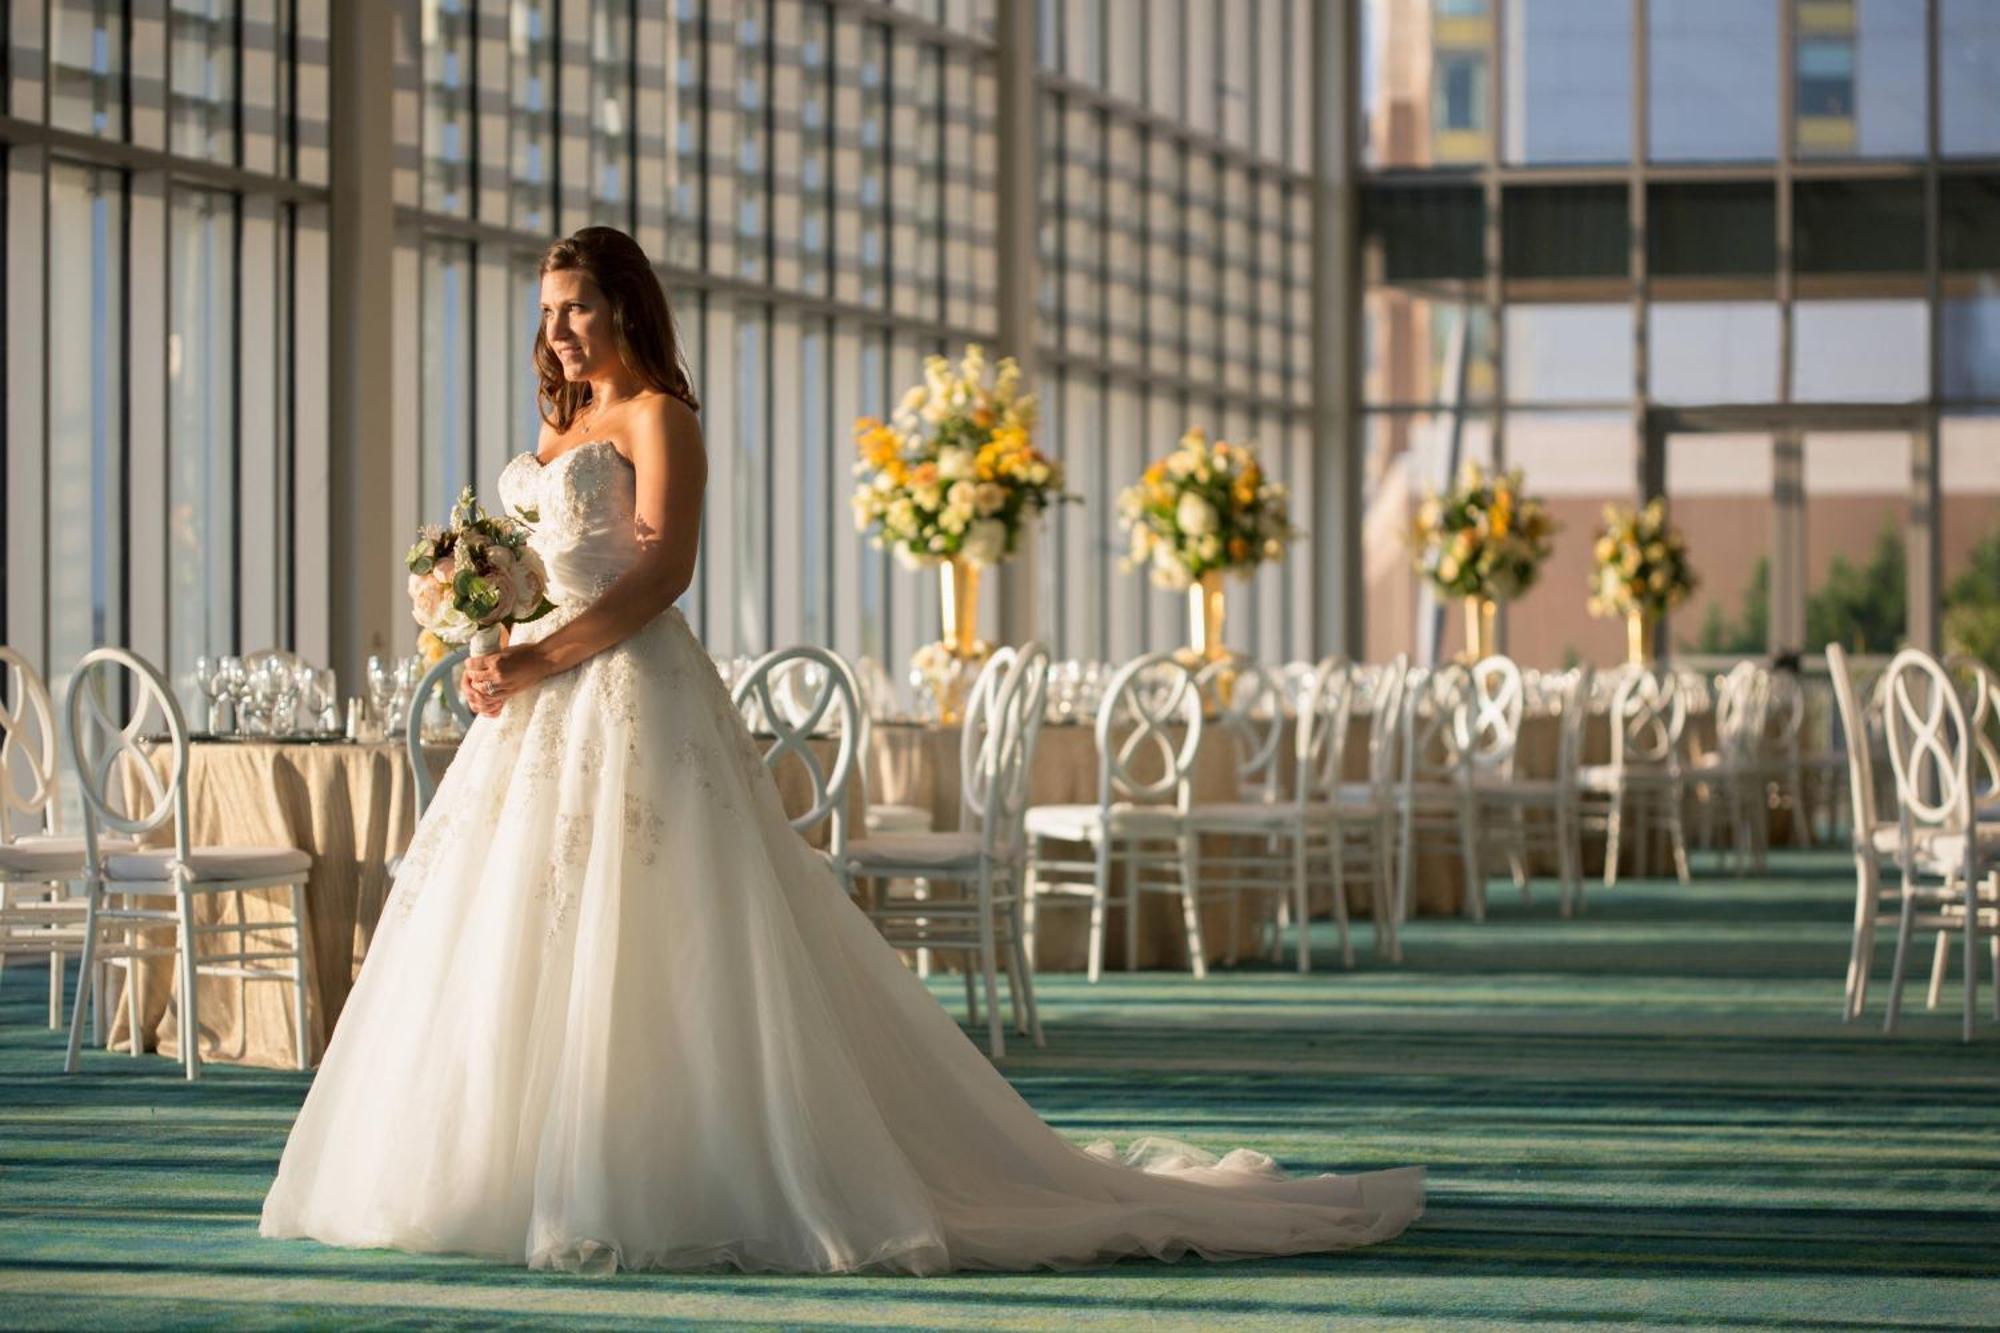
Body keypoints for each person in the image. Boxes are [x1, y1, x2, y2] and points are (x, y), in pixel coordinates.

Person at [259, 225, 1423, 1274]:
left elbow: (662, 576)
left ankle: (675, 1166)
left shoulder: (660, 416)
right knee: (520, 930)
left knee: (661, 929)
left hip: (630, 694)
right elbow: (539, 564)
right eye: (546, 307)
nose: (555, 328)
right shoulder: (559, 427)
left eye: (575, 305)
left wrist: (540, 657)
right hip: (540, 698)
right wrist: (492, 632)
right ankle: (502, 1162)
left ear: (626, 307)